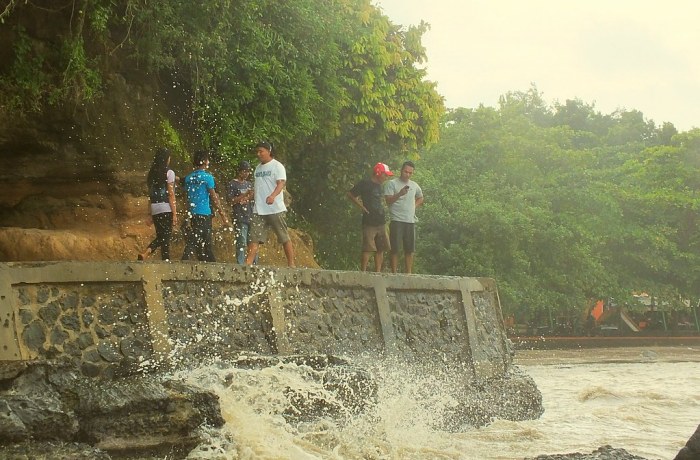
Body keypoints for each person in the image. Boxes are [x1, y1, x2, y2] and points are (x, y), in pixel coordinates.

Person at [245, 141, 295, 267]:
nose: (258, 154)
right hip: (259, 209)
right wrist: (249, 196)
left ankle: (291, 264)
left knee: (283, 236)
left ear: (269, 151)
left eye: (261, 151)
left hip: (275, 208)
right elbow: (258, 186)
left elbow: (281, 183)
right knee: (254, 237)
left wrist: (273, 196)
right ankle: (248, 263)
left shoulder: (277, 166)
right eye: (257, 151)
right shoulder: (258, 168)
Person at [181, 149, 230, 262]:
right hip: (204, 212)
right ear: (203, 161)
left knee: (206, 241)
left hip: (193, 213)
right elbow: (214, 198)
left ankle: (211, 265)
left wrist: (188, 214)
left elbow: (187, 198)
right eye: (207, 160)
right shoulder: (208, 177)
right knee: (197, 238)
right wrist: (223, 216)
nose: (208, 162)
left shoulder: (189, 178)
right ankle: (185, 257)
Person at [347, 162, 394, 272]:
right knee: (368, 248)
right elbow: (350, 194)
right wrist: (361, 206)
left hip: (381, 220)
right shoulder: (365, 183)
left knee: (380, 248)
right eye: (385, 175)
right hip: (369, 221)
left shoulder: (379, 186)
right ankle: (363, 272)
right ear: (378, 173)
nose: (386, 177)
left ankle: (377, 272)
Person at [138, 147, 178, 261]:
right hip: (166, 208)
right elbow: (171, 194)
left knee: (163, 238)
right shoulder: (169, 173)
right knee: (164, 237)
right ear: (166, 159)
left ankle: (166, 261)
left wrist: (149, 214)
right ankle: (147, 251)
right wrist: (174, 213)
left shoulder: (151, 174)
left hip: (155, 208)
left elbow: (150, 196)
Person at [384, 160, 423, 273]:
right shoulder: (392, 183)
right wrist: (399, 194)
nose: (408, 174)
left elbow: (421, 197)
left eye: (410, 173)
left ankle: (408, 273)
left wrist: (414, 206)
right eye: (406, 172)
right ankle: (394, 272)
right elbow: (388, 201)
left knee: (409, 249)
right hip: (397, 219)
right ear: (401, 170)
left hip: (410, 220)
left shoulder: (414, 185)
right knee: (395, 248)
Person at [227, 160, 256, 264]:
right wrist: (244, 195)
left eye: (248, 171)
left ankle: (253, 264)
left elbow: (253, 199)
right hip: (239, 217)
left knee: (252, 242)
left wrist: (251, 195)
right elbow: (231, 201)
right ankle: (241, 263)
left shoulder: (250, 184)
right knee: (241, 241)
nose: (246, 173)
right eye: (244, 171)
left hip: (250, 216)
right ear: (239, 171)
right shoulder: (232, 184)